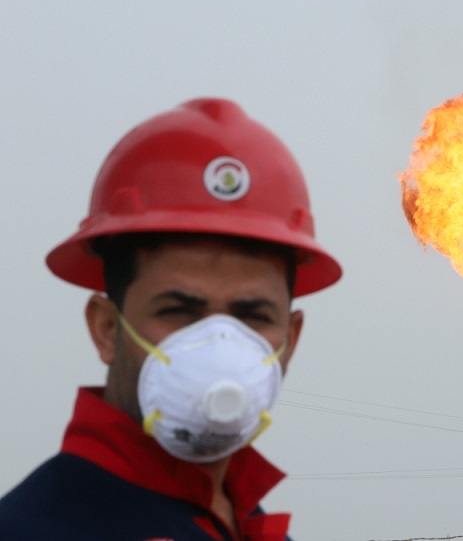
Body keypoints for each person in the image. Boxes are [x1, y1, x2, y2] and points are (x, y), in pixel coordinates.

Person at [0, 98, 342, 540]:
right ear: (106, 328)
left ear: (290, 341)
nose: (220, 348)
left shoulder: (249, 526)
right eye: (179, 311)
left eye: (252, 316)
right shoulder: (31, 530)